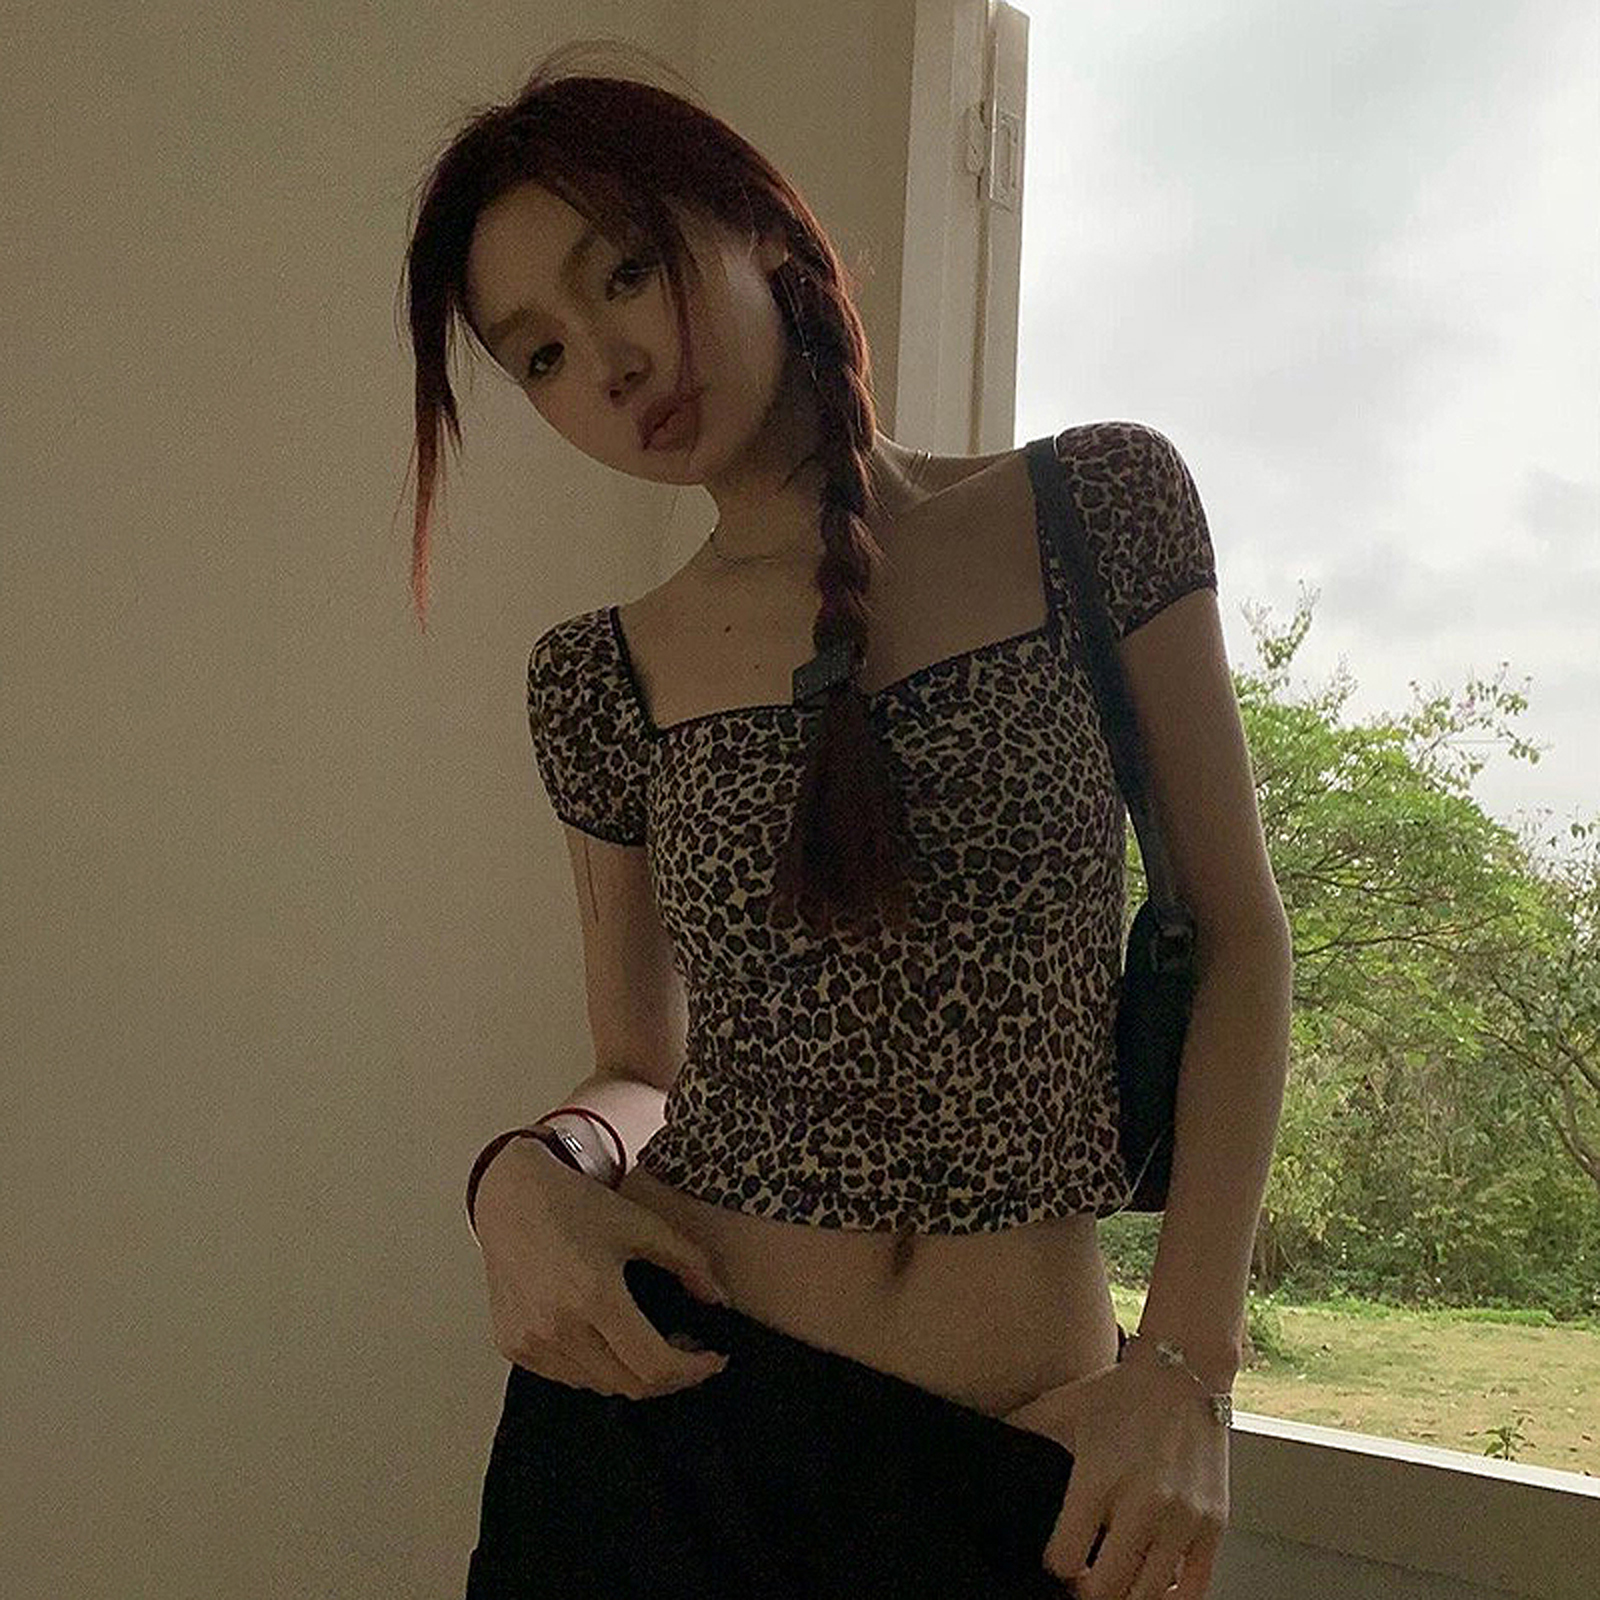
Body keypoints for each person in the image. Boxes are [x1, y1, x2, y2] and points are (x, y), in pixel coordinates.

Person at [403, 40, 1290, 1600]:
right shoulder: (598, 677)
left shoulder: (1096, 510)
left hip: (1028, 1463)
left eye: (624, 273)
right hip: (668, 1436)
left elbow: (1238, 942)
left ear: (754, 220)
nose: (606, 364)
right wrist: (522, 1176)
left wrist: (1187, 1368)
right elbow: (641, 1065)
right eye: (536, 353)